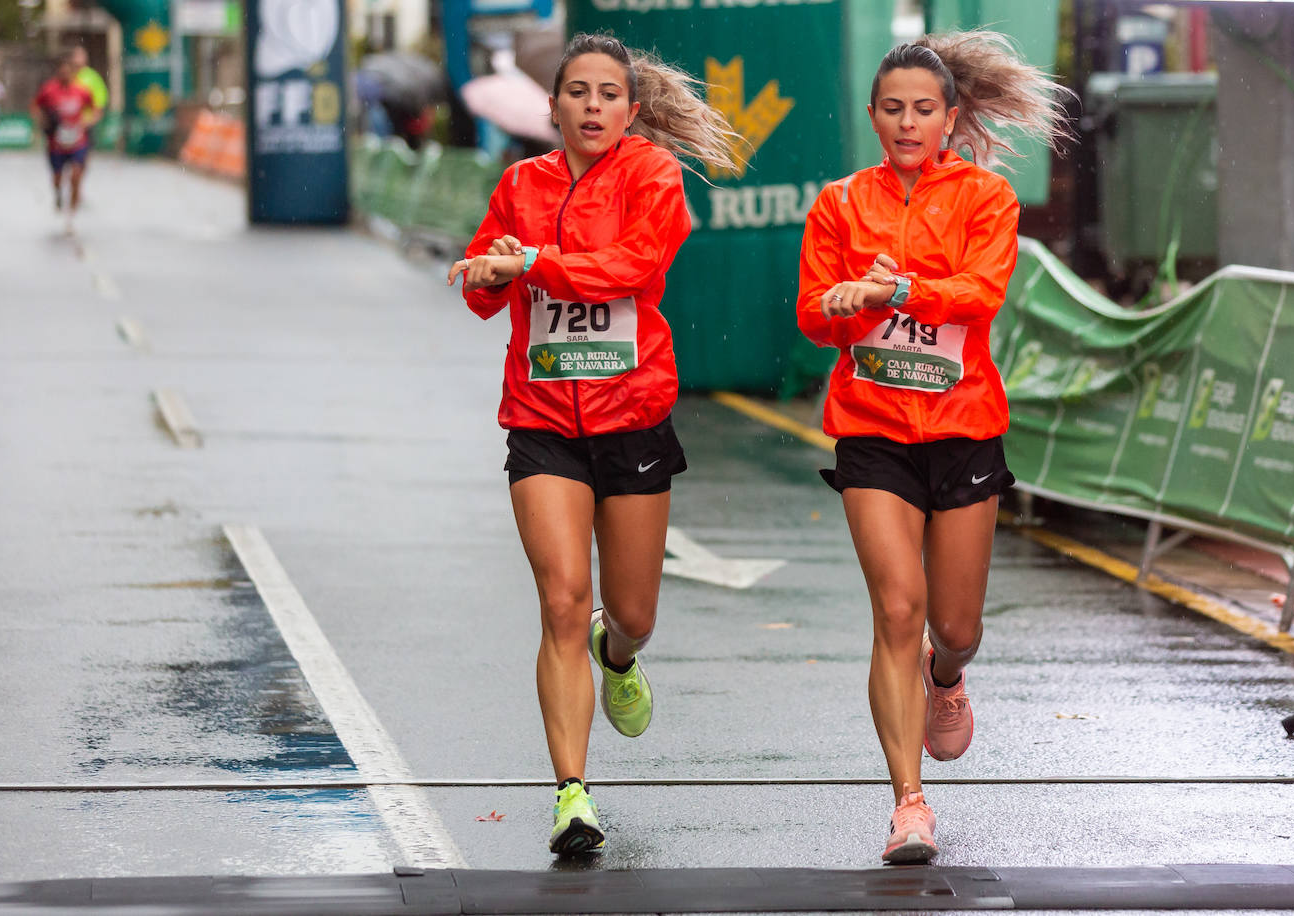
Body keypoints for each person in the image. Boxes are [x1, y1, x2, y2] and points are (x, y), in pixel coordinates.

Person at [447, 32, 739, 856]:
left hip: (632, 416)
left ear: (631, 109)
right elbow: (486, 285)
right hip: (541, 421)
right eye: (578, 92)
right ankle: (572, 793)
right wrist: (488, 272)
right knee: (562, 600)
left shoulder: (654, 178)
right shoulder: (519, 184)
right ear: (554, 105)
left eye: (609, 94)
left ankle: (621, 657)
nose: (593, 106)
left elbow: (632, 270)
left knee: (631, 613)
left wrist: (536, 260)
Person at [797, 32, 1070, 865]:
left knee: (952, 626)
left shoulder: (987, 199)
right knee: (896, 609)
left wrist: (900, 288)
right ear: (873, 116)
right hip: (872, 429)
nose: (908, 122)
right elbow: (814, 317)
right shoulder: (841, 204)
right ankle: (908, 804)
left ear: (951, 117)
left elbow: (980, 295)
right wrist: (850, 306)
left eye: (924, 109)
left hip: (962, 431)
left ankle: (945, 676)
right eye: (893, 109)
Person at [31, 53, 98, 223]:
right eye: (62, 73)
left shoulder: (82, 91)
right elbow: (35, 106)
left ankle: (72, 215)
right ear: (58, 74)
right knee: (57, 178)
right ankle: (58, 193)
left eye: (68, 73)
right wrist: (43, 121)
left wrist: (87, 122)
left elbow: (95, 109)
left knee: (76, 175)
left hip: (77, 140)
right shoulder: (49, 90)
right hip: (56, 143)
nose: (65, 76)